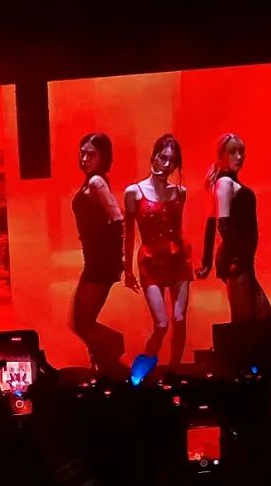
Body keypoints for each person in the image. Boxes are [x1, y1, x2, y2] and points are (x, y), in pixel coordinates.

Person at [122, 134, 191, 366]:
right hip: (151, 260)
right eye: (163, 158)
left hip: (177, 258)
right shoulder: (134, 192)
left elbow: (177, 229)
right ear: (153, 158)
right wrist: (127, 270)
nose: (167, 165)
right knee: (161, 324)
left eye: (172, 161)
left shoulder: (180, 192)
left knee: (179, 318)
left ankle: (175, 369)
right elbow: (129, 232)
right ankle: (142, 373)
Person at [197, 133, 271, 322]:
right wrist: (236, 258)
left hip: (241, 260)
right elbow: (222, 225)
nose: (239, 157)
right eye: (232, 152)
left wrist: (207, 262)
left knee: (261, 314)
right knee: (244, 321)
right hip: (236, 262)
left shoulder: (224, 183)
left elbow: (210, 223)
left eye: (241, 152)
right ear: (221, 155)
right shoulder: (224, 183)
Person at [70, 133, 127, 376]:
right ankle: (107, 366)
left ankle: (114, 351)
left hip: (100, 262)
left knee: (81, 322)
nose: (84, 158)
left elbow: (117, 219)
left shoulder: (96, 182)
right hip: (95, 260)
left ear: (103, 157)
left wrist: (116, 257)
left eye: (90, 154)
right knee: (82, 321)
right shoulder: (92, 182)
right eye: (82, 153)